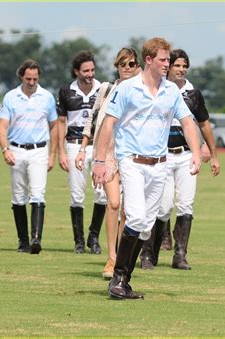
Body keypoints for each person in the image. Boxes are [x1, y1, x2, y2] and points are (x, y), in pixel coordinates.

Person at [93, 37, 202, 300]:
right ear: (149, 60)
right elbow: (108, 124)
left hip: (160, 166)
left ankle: (123, 281)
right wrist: (99, 160)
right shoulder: (127, 89)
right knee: (138, 219)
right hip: (132, 162)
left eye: (169, 60)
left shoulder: (171, 91)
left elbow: (188, 122)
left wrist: (196, 153)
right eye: (164, 60)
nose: (168, 64)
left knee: (145, 228)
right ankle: (117, 278)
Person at [140, 49, 220, 270]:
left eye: (184, 66)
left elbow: (204, 123)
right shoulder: (158, 89)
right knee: (162, 207)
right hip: (162, 156)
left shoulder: (193, 93)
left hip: (186, 155)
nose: (181, 69)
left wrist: (212, 153)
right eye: (177, 65)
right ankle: (149, 254)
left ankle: (180, 255)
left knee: (186, 205)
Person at [76, 47, 141, 279]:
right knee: (113, 203)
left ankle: (122, 258)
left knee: (128, 209)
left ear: (138, 66)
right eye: (122, 63)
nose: (126, 68)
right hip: (109, 154)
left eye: (131, 63)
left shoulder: (142, 92)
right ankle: (112, 257)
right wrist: (84, 149)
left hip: (133, 154)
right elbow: (92, 120)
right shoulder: (106, 89)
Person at [0, 59, 58, 255]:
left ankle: (36, 239)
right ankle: (22, 241)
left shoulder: (47, 97)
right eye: (28, 78)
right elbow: (1, 127)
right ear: (21, 77)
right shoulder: (10, 97)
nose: (32, 82)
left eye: (35, 78)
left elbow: (55, 125)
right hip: (16, 150)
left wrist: (52, 154)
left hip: (39, 150)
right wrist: (5, 150)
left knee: (38, 193)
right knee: (18, 195)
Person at [57, 51, 107, 255]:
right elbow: (61, 123)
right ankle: (79, 241)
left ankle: (93, 238)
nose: (90, 74)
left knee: (102, 194)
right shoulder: (66, 91)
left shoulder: (103, 89)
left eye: (92, 70)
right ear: (76, 71)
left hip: (98, 146)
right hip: (74, 144)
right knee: (77, 195)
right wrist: (61, 151)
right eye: (86, 70)